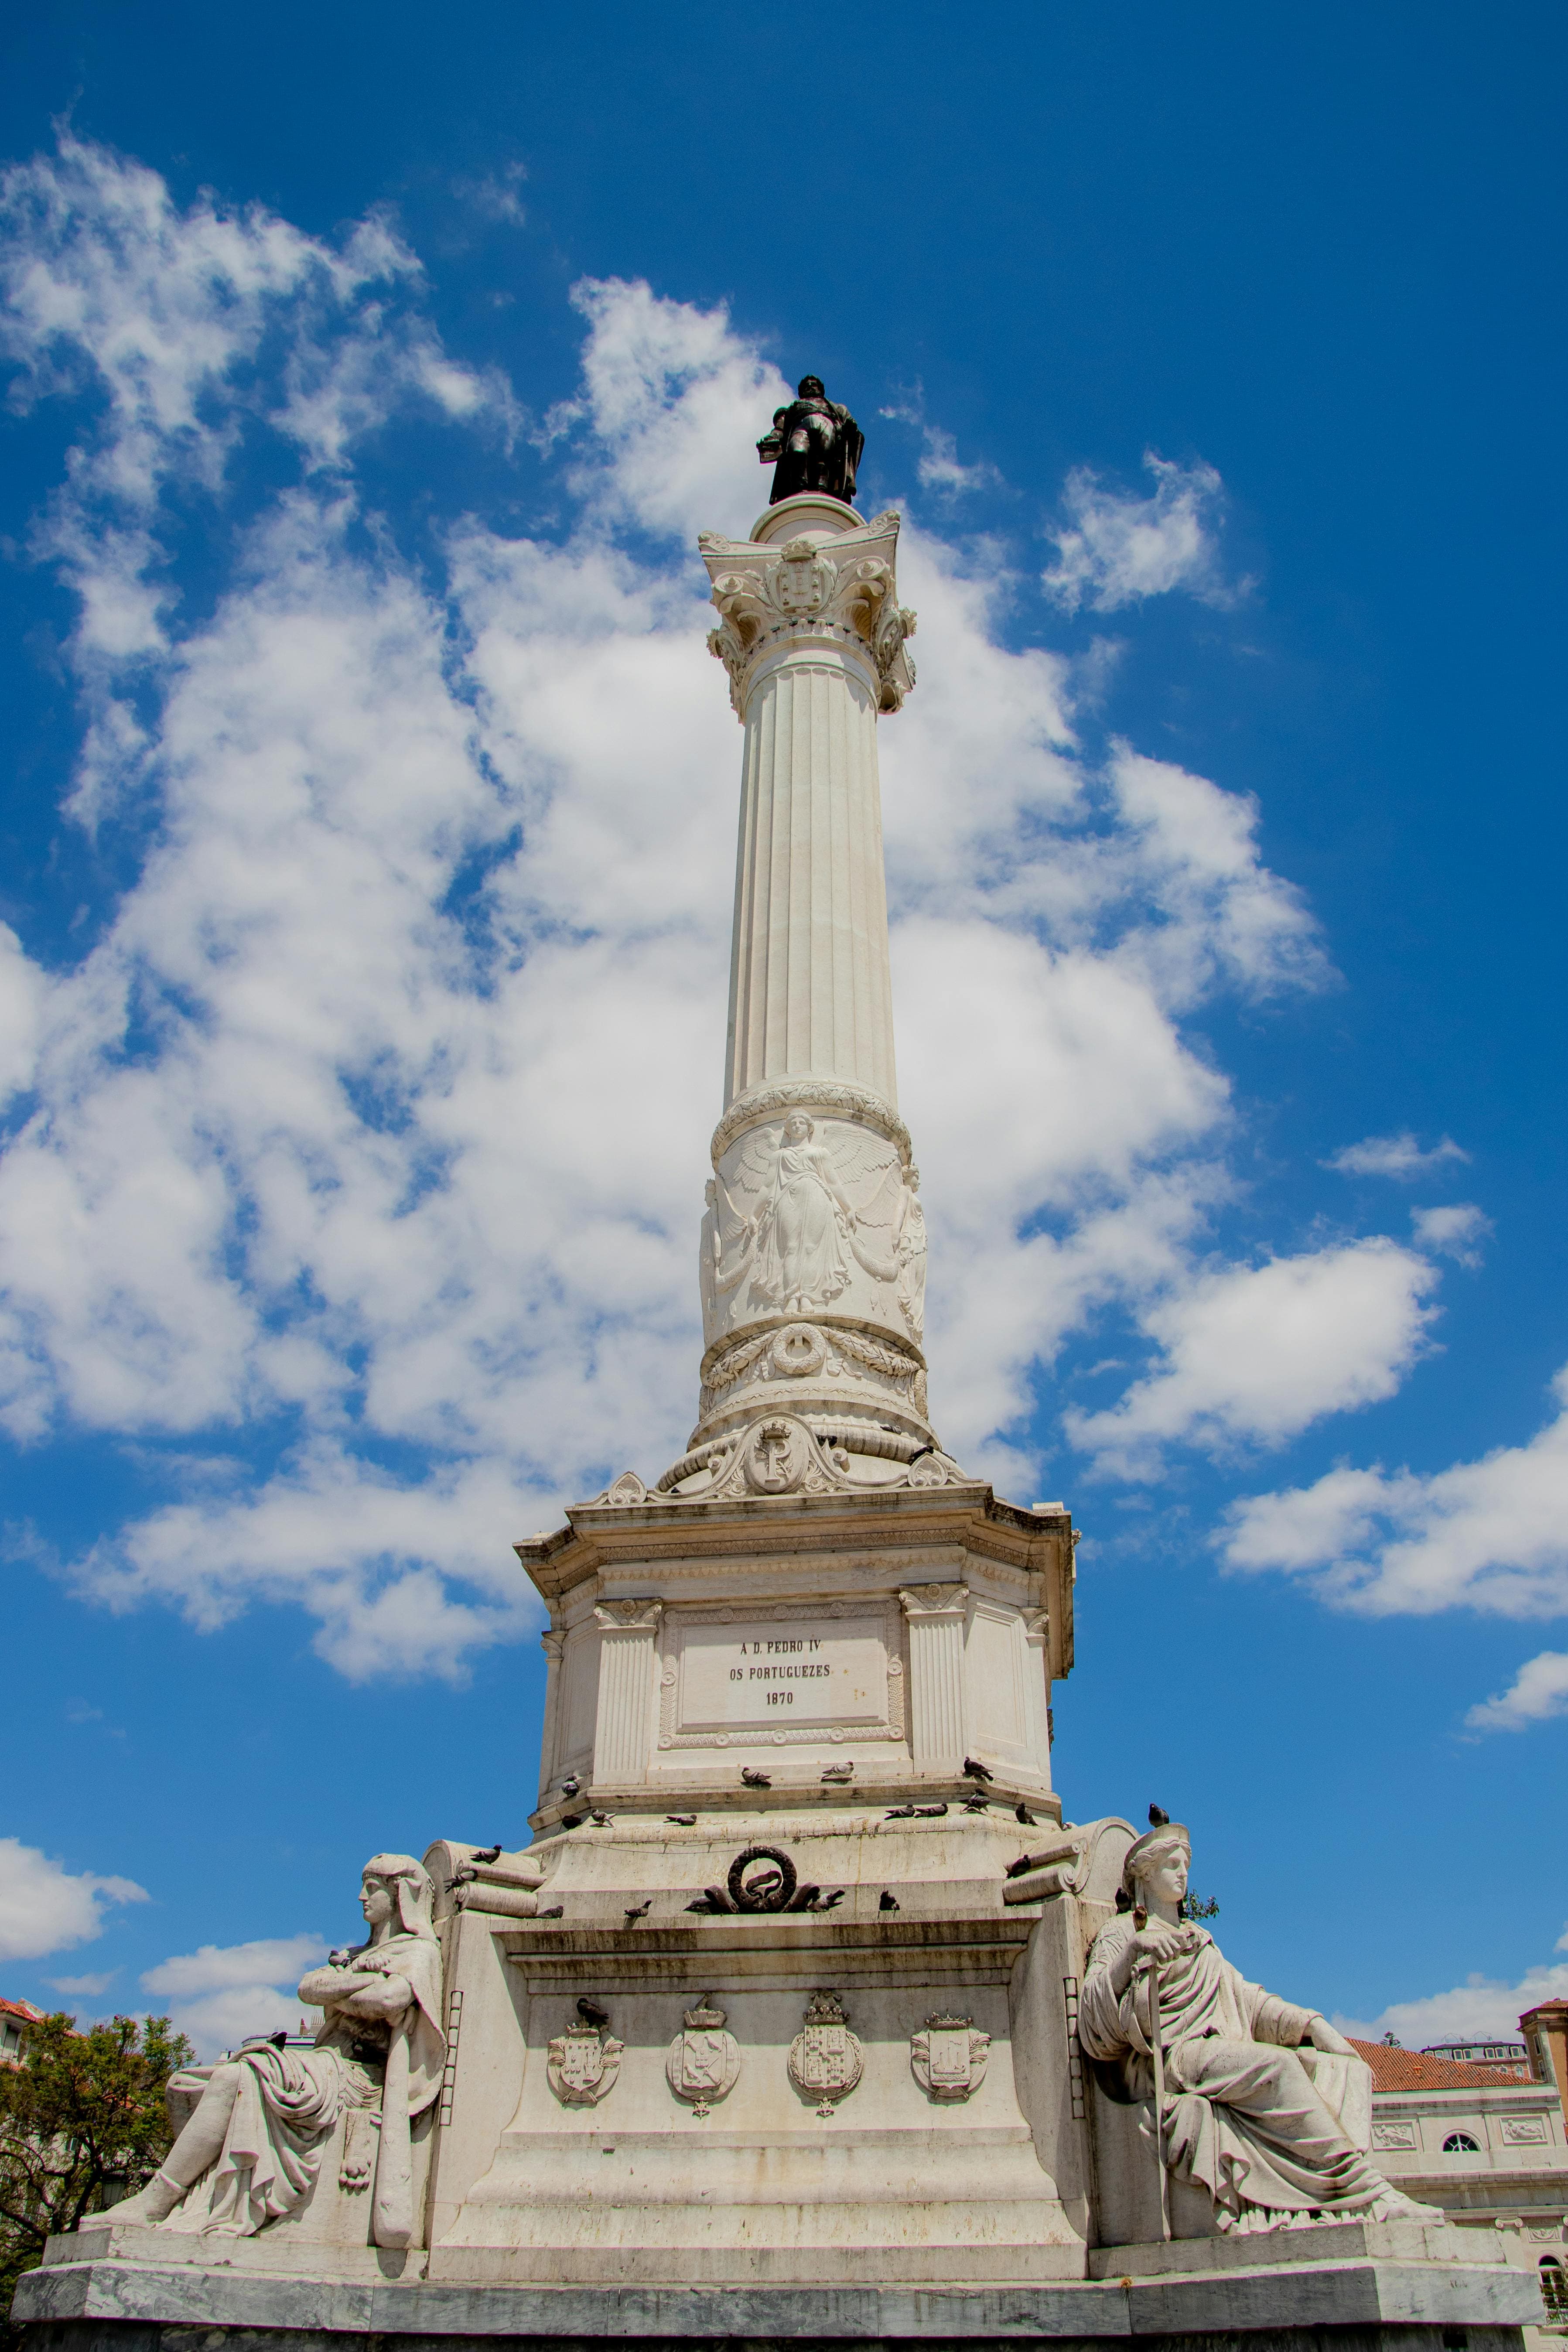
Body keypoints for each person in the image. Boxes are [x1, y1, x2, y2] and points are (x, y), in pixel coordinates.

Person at [1078, 1817, 1440, 2236]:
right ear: (1144, 1873)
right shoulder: (1122, 1933)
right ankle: (1367, 2194)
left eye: (1186, 1867)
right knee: (1278, 2067)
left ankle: (1328, 2199)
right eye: (1171, 1866)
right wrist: (1134, 1955)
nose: (1182, 1875)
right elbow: (1092, 2018)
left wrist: (1311, 2025)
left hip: (1217, 2052)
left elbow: (1248, 2000)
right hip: (1175, 2057)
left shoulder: (1200, 1938)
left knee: (1336, 2066)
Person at [98, 1853, 444, 2247]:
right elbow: (308, 1988)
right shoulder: (359, 1956)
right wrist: (361, 1976)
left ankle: (156, 2202)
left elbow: (385, 2001)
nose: (361, 1897)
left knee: (234, 2076)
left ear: (399, 1894)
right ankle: (188, 2195)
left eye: (372, 1889)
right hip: (322, 2062)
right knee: (185, 2083)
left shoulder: (418, 1954)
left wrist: (347, 1980)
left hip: (358, 2075)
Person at [758, 376, 864, 506]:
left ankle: (822, 488)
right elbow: (780, 429)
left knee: (824, 454)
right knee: (798, 451)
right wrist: (770, 439)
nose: (810, 386)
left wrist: (850, 427)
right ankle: (801, 488)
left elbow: (851, 425)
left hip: (827, 423)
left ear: (820, 389)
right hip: (801, 425)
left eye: (813, 384)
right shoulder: (793, 408)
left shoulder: (836, 408)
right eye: (806, 385)